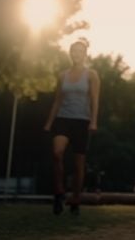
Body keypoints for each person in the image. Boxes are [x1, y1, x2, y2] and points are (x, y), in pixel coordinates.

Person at [43, 40, 100, 216]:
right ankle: (59, 192)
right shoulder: (62, 75)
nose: (77, 54)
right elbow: (57, 100)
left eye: (80, 51)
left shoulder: (91, 75)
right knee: (57, 153)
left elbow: (94, 99)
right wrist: (49, 122)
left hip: (82, 121)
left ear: (85, 54)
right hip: (63, 119)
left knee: (78, 164)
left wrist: (93, 121)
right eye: (74, 51)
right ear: (70, 53)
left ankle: (76, 198)